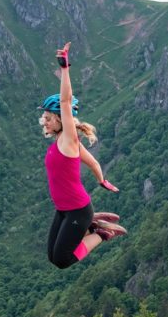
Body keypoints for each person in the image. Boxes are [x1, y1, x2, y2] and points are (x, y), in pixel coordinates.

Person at [40, 42, 127, 269]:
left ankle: (101, 233)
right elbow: (94, 163)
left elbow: (66, 101)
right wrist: (101, 180)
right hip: (65, 209)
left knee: (62, 260)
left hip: (78, 209)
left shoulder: (69, 139)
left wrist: (65, 69)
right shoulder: (66, 143)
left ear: (60, 119)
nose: (44, 122)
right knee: (52, 256)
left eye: (48, 117)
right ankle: (92, 222)